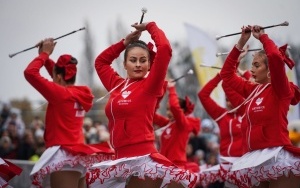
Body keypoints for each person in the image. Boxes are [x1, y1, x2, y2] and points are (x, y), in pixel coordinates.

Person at [87, 22, 198, 188]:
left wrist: (150, 27)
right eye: (133, 60)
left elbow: (165, 49)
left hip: (142, 159)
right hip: (119, 159)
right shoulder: (116, 84)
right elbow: (100, 63)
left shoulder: (150, 85)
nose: (138, 64)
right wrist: (124, 42)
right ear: (124, 64)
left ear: (148, 65)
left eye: (143, 60)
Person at [24, 38, 114, 188]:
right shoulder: (81, 93)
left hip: (63, 156)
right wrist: (46, 59)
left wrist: (44, 54)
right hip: (77, 156)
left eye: (54, 76)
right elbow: (59, 76)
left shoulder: (61, 94)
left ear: (58, 77)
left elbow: (30, 73)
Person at [220, 25, 300, 188]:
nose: (251, 69)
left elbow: (276, 58)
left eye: (257, 65)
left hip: (278, 157)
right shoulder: (252, 90)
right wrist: (241, 42)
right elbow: (226, 74)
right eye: (252, 65)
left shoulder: (281, 89)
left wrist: (263, 37)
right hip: (255, 156)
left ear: (270, 70)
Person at [154, 80, 201, 174]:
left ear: (182, 111)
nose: (168, 113)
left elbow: (175, 107)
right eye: (167, 110)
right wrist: (162, 89)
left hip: (176, 166)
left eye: (171, 110)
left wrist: (171, 89)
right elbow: (151, 114)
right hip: (163, 165)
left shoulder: (183, 124)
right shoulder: (168, 123)